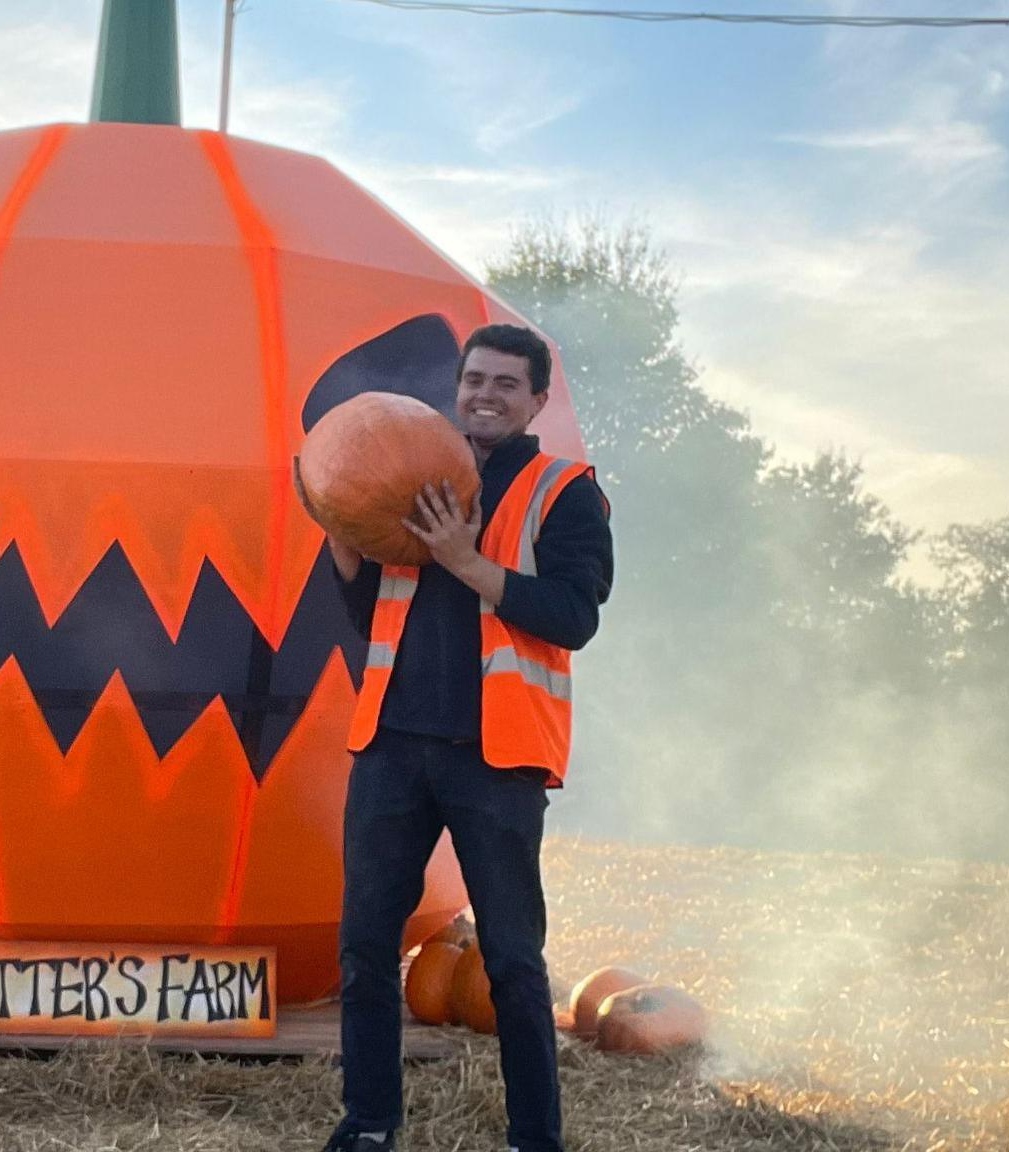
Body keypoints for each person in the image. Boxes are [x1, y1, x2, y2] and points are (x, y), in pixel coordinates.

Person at [318, 324, 613, 1152]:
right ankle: (371, 1123)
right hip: (391, 743)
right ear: (458, 385)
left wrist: (465, 559)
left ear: (537, 401)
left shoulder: (565, 492)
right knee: (366, 946)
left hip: (497, 758)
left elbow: (574, 616)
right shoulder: (410, 468)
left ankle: (534, 1138)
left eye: (505, 385)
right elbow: (362, 607)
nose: (484, 395)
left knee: (514, 961)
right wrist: (335, 518)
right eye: (474, 379)